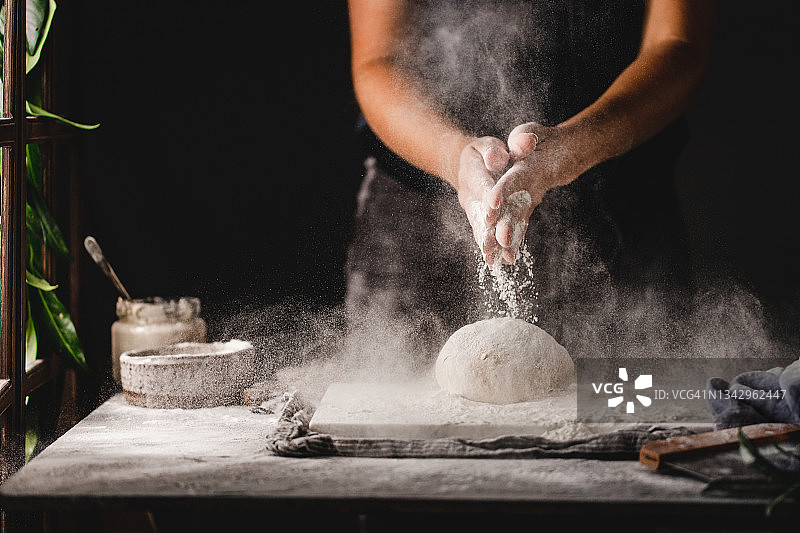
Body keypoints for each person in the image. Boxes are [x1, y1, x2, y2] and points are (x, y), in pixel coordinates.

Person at [344, 0, 716, 368]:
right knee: (395, 405)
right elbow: (379, 59)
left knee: (640, 418)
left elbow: (677, 45)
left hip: (620, 218)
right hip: (418, 223)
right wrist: (453, 156)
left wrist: (573, 147)